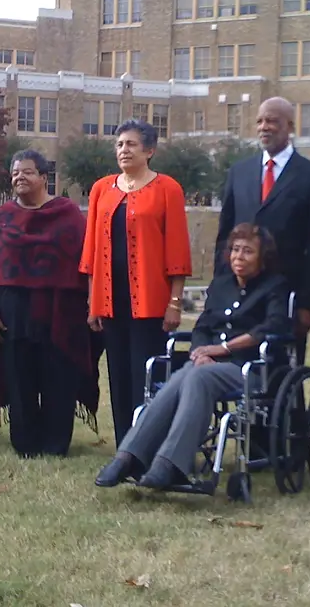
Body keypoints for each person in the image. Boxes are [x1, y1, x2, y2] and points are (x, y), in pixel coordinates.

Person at [95, 223, 291, 490]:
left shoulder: (273, 287)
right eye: (235, 250)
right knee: (183, 376)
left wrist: (223, 349)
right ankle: (128, 457)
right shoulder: (222, 285)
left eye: (247, 251)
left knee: (196, 377)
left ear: (262, 257)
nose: (238, 257)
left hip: (251, 368)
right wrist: (199, 352)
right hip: (209, 366)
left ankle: (170, 464)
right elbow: (202, 327)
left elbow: (270, 328)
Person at [0, 149, 102, 457]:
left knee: (58, 376)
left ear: (44, 177)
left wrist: (92, 304)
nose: (19, 177)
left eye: (27, 172)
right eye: (15, 173)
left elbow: (87, 262)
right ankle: (25, 441)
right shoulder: (2, 217)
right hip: (13, 312)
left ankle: (56, 442)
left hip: (60, 311)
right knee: (19, 375)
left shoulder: (67, 213)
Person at [79, 119, 192, 447]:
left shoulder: (167, 188)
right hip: (111, 299)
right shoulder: (102, 188)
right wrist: (92, 301)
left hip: (151, 301)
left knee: (147, 375)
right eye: (119, 145)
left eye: (131, 144)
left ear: (150, 151)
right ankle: (124, 447)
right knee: (119, 375)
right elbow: (91, 249)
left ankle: (151, 445)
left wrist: (175, 302)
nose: (123, 150)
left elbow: (177, 248)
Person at [215, 97, 310, 365]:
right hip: (240, 291)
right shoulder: (239, 172)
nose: (264, 127)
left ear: (290, 126)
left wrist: (307, 305)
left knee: (282, 373)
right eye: (260, 121)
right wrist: (220, 286)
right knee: (233, 365)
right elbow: (225, 235)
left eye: (272, 121)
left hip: (284, 296)